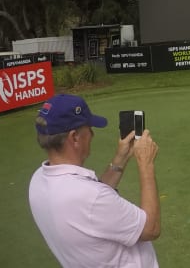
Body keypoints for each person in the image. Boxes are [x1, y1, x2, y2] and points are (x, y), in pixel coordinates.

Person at [28, 94, 161, 268]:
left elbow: (91, 213)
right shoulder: (90, 197)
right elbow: (150, 229)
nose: (92, 134)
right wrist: (146, 164)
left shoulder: (38, 180)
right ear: (74, 137)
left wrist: (119, 160)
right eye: (88, 128)